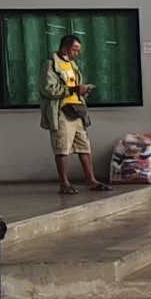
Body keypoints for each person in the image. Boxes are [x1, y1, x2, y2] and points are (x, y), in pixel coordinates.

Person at [40, 35, 109, 195]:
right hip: (61, 111)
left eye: (78, 51)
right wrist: (72, 90)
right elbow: (48, 89)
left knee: (84, 146)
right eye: (74, 50)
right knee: (62, 148)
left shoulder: (72, 65)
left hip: (77, 109)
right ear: (64, 49)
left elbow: (74, 85)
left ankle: (91, 180)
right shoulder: (51, 65)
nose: (76, 54)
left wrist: (82, 90)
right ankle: (64, 183)